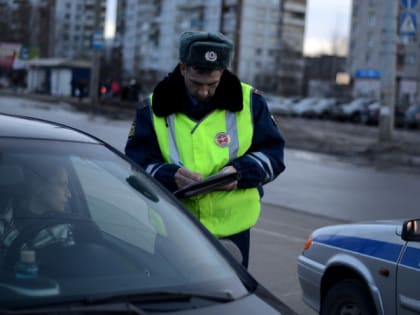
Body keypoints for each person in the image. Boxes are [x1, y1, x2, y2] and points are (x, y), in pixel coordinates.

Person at [125, 31, 285, 268]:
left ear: (222, 72)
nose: (203, 92)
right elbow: (135, 164)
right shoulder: (151, 108)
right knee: (172, 300)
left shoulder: (251, 102)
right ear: (183, 68)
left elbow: (274, 156)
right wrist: (170, 176)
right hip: (173, 228)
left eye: (212, 84)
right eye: (196, 83)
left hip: (233, 231)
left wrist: (238, 173)